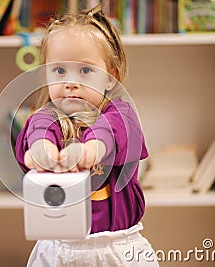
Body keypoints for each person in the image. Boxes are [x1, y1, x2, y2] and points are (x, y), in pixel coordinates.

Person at [15, 5, 159, 267]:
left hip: (116, 248)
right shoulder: (46, 117)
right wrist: (41, 150)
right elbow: (38, 132)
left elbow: (111, 132)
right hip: (58, 250)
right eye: (59, 71)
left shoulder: (122, 114)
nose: (71, 82)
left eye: (85, 71)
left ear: (111, 78)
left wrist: (89, 150)